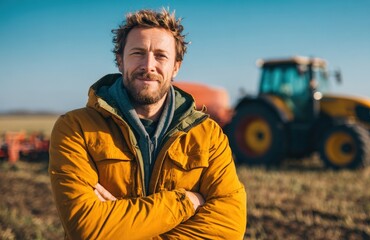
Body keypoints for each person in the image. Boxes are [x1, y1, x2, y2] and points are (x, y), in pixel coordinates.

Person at [49, 8, 247, 239]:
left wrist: (122, 226)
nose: (149, 65)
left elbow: (229, 228)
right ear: (120, 60)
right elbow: (86, 228)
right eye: (138, 53)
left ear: (176, 66)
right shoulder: (75, 129)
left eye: (161, 55)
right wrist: (186, 201)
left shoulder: (209, 135)